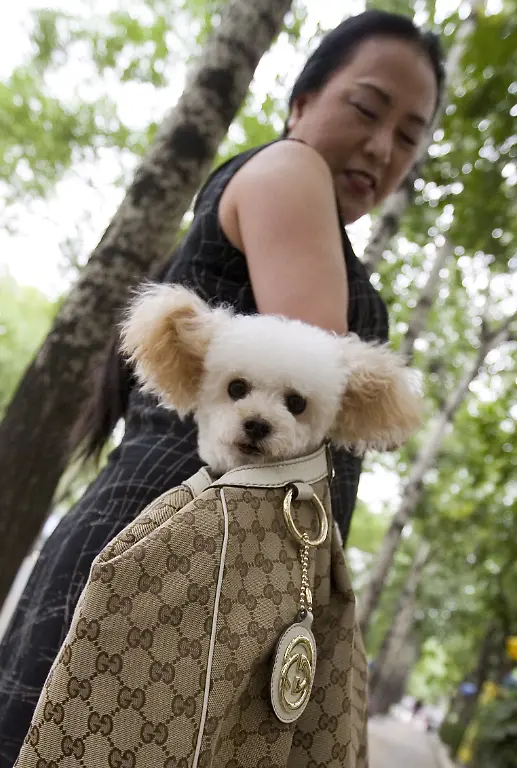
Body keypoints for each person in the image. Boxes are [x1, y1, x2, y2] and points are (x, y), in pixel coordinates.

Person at [0, 10, 444, 764]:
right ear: (301, 102)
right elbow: (304, 391)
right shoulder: (291, 169)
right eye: (367, 109)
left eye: (409, 136)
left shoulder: (281, 202)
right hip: (174, 570)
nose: (382, 146)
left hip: (183, 566)